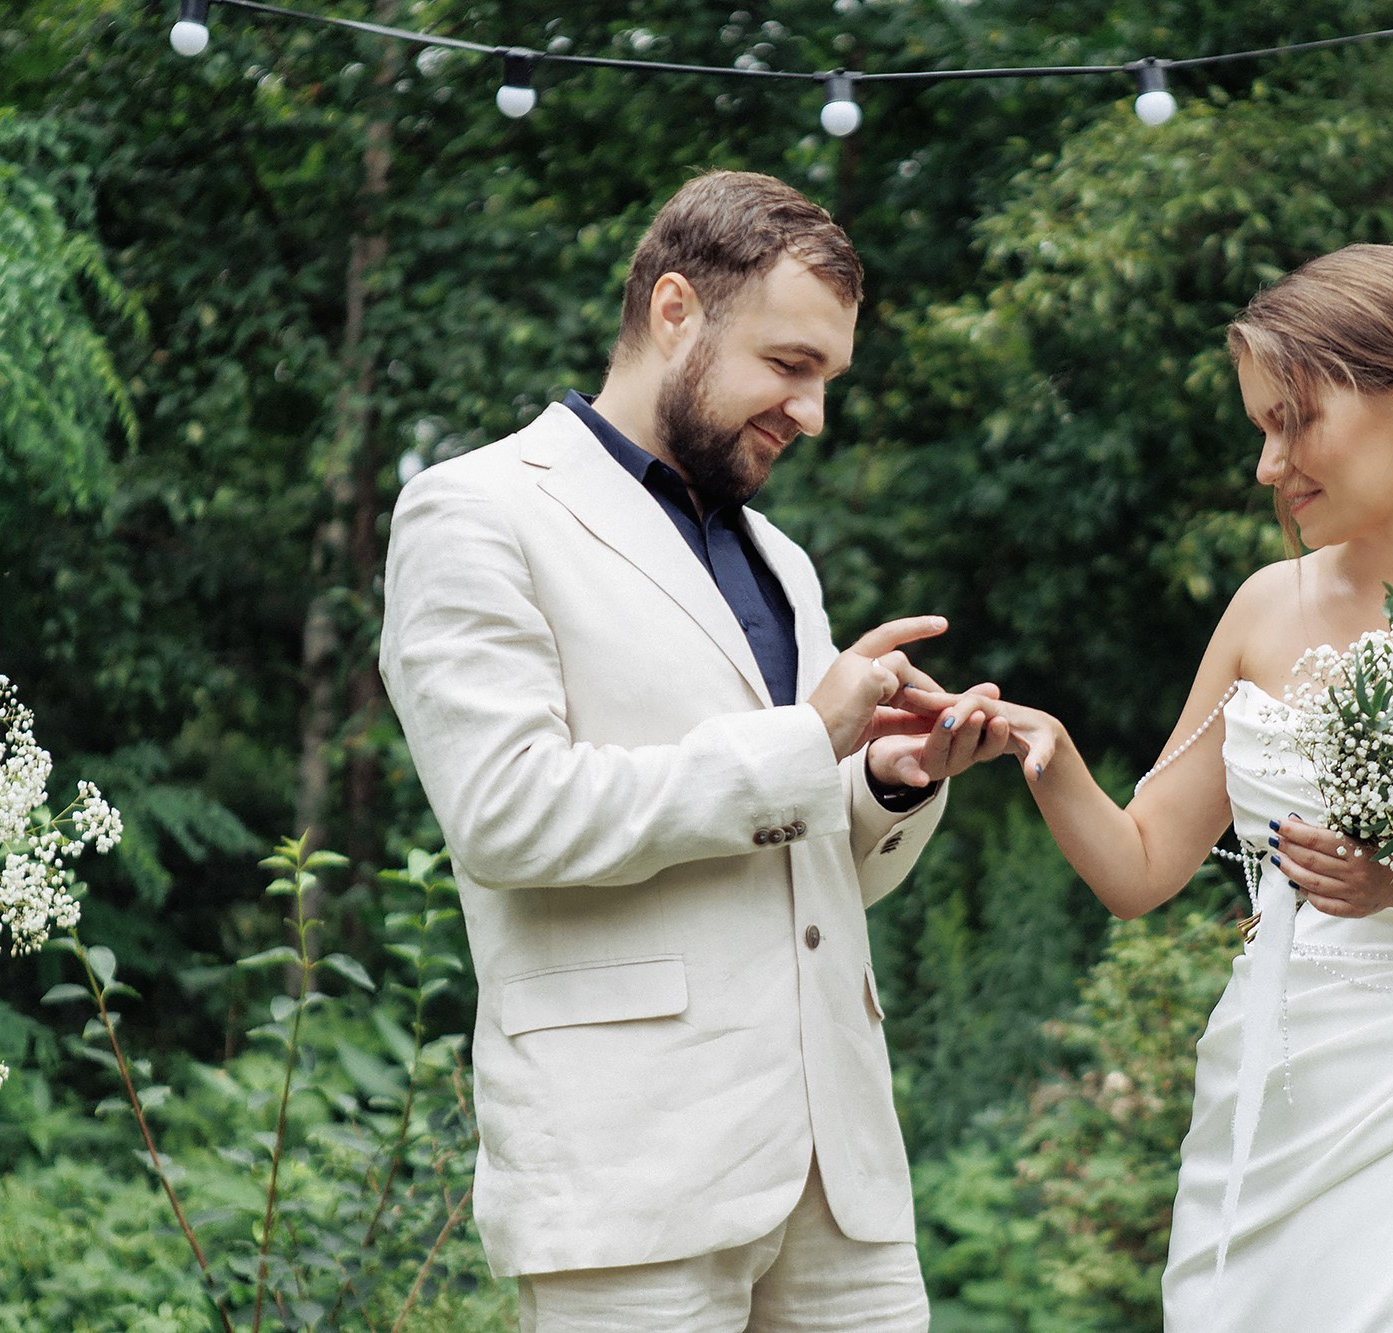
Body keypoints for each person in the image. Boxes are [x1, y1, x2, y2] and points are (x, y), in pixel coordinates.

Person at [914, 244, 1393, 1330]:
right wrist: (1049, 754)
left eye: (1294, 421)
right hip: (1269, 1104)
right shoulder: (1262, 609)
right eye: (1259, 430)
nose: (1268, 466)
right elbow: (1139, 871)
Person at [378, 169, 1006, 1331]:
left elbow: (810, 858)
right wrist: (806, 737)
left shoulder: (779, 556)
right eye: (789, 366)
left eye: (827, 377)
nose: (811, 414)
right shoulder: (474, 512)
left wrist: (880, 779)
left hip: (842, 1181)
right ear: (676, 311)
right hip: (630, 1173)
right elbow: (505, 814)